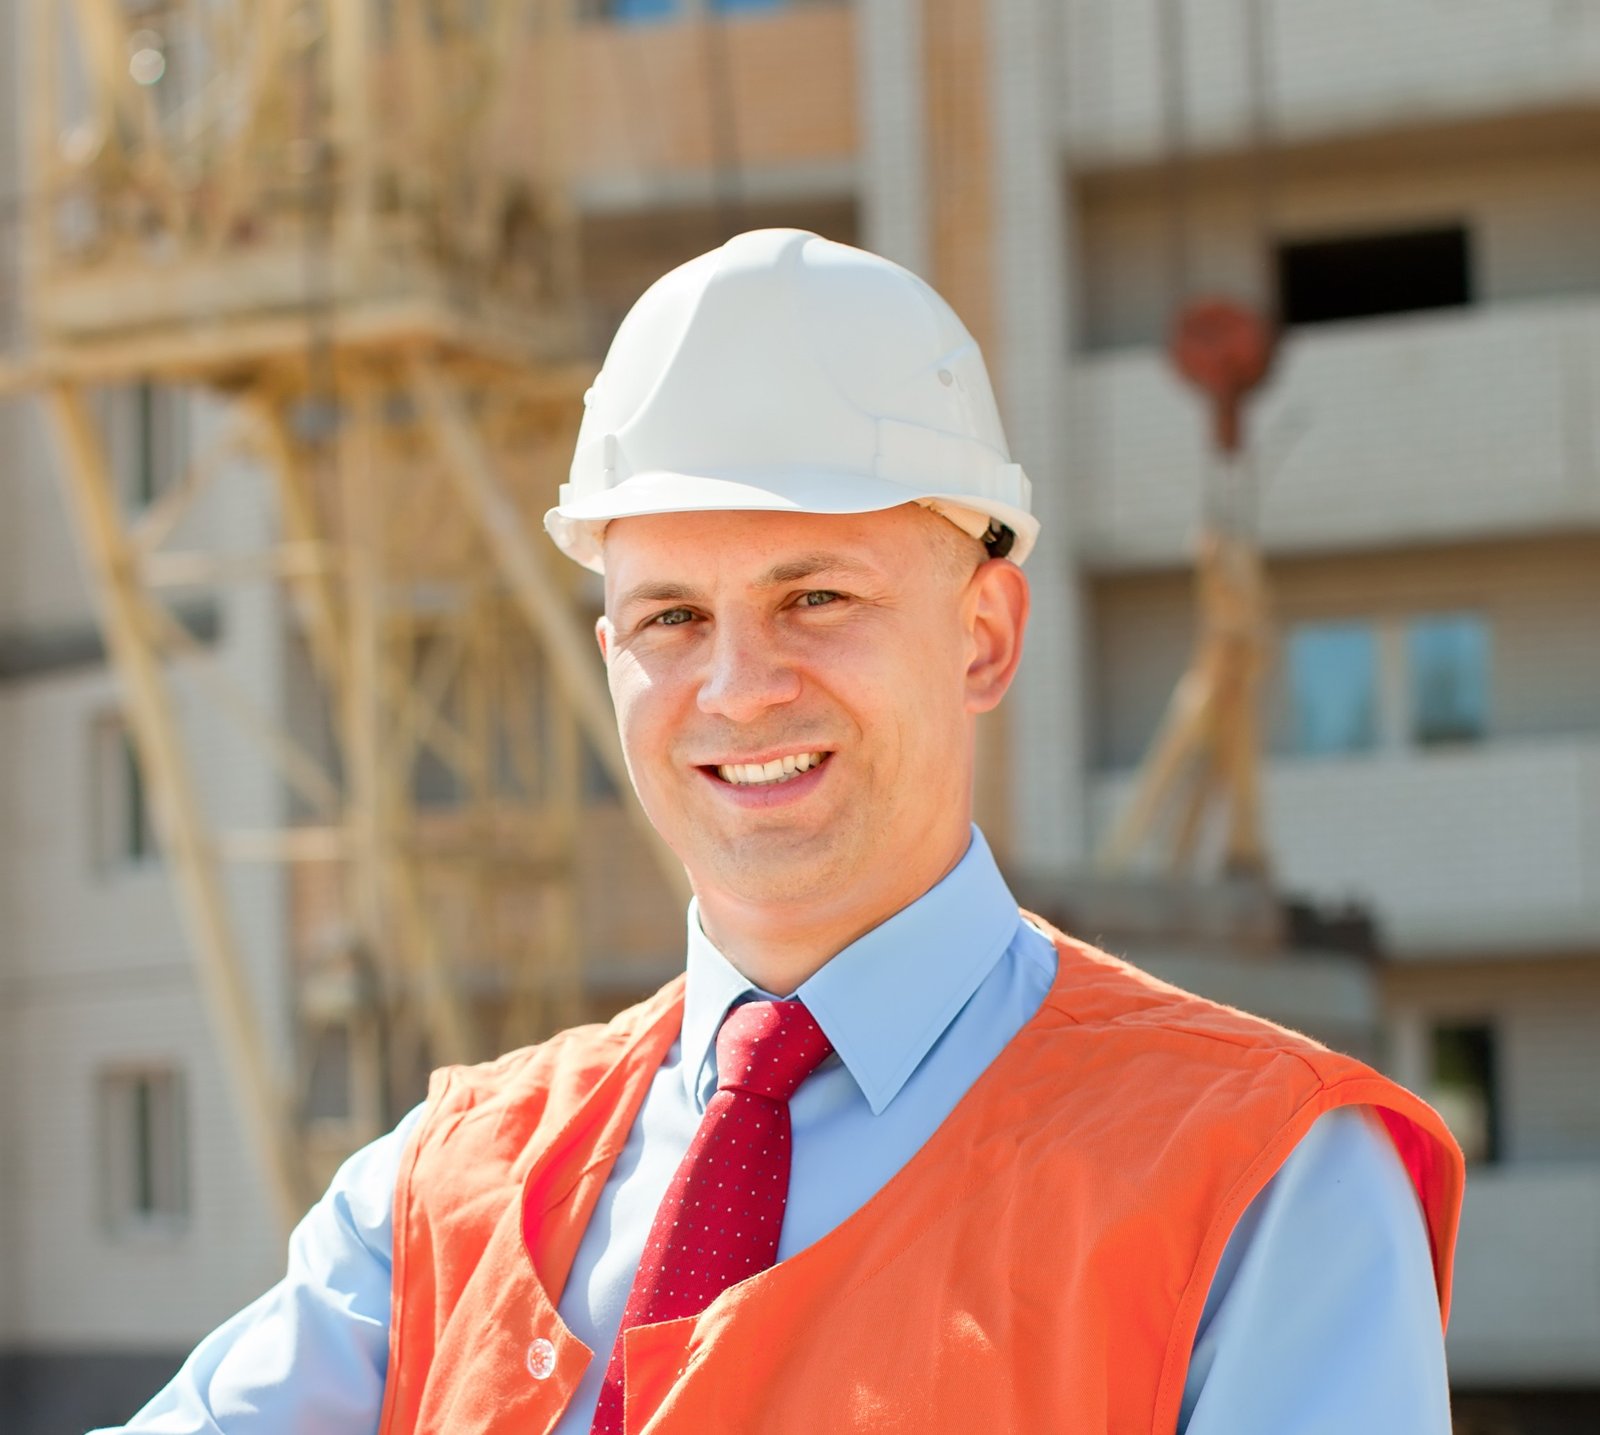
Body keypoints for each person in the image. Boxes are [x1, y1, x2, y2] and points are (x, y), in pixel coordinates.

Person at [98, 228, 1463, 1434]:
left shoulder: (1267, 1186)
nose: (740, 688)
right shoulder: (435, 1197)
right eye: (672, 619)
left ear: (984, 634)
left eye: (817, 599)